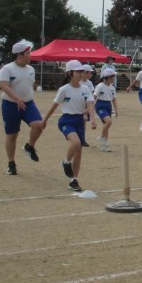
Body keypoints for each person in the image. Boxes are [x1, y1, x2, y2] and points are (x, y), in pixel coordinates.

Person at [42, 60, 97, 191]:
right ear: (69, 73)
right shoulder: (64, 90)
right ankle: (66, 162)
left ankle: (74, 180)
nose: (81, 74)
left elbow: (90, 105)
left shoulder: (86, 89)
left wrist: (93, 119)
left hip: (79, 121)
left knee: (79, 152)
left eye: (82, 71)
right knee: (76, 143)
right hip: (66, 120)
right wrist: (44, 120)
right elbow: (54, 106)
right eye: (77, 71)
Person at [0, 41, 45, 175]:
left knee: (39, 125)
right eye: (28, 53)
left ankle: (29, 147)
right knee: (12, 135)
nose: (31, 55)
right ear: (19, 55)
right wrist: (17, 98)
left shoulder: (31, 69)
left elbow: (28, 84)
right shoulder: (7, 69)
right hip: (10, 105)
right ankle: (11, 163)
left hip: (28, 104)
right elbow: (3, 85)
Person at [94, 67, 118, 152]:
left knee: (106, 125)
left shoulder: (112, 87)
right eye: (112, 77)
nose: (114, 78)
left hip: (108, 106)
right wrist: (90, 107)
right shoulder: (100, 86)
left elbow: (114, 99)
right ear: (107, 77)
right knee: (109, 122)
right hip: (100, 105)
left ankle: (104, 145)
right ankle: (101, 137)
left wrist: (116, 109)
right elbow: (94, 97)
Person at [80, 64, 96, 147]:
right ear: (85, 73)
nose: (91, 75)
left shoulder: (90, 83)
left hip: (87, 105)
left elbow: (92, 97)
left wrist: (87, 110)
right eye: (90, 73)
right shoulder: (78, 82)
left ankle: (82, 139)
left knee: (84, 122)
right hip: (78, 105)